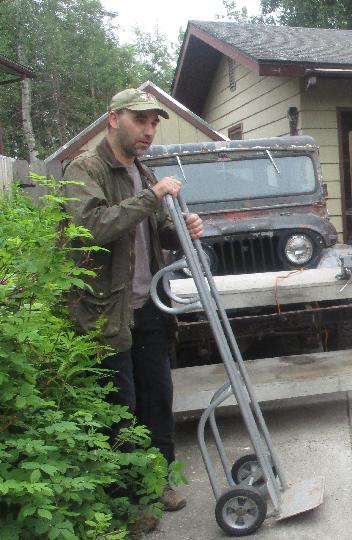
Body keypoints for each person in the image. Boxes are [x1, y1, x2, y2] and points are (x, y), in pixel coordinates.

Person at [61, 89, 203, 522]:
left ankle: (158, 481)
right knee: (119, 411)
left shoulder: (143, 172)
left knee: (158, 399)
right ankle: (127, 503)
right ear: (113, 119)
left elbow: (157, 231)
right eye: (140, 120)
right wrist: (152, 196)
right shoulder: (85, 169)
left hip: (149, 307)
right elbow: (90, 227)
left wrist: (183, 229)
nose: (149, 130)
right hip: (104, 312)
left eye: (154, 122)